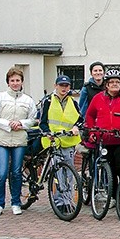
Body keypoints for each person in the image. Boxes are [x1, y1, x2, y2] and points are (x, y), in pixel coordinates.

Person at [85, 69, 120, 209]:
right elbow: (90, 115)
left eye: (117, 82)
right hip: (105, 140)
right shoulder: (98, 98)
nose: (115, 84)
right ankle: (114, 198)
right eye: (111, 82)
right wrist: (92, 130)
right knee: (111, 171)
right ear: (106, 85)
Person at [0, 68, 38, 217]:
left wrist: (20, 123)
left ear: (22, 82)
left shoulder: (28, 100)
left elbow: (33, 119)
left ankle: (16, 203)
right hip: (1, 140)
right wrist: (8, 124)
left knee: (16, 173)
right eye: (12, 81)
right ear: (8, 82)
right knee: (2, 173)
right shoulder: (0, 98)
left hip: (19, 140)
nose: (15, 83)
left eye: (17, 80)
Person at [39, 75, 83, 211]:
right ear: (55, 86)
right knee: (58, 173)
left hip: (68, 141)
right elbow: (42, 122)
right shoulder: (48, 101)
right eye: (61, 85)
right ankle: (59, 202)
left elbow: (81, 119)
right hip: (53, 141)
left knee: (69, 172)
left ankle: (68, 200)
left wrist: (76, 127)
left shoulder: (73, 102)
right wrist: (47, 133)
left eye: (66, 86)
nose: (64, 88)